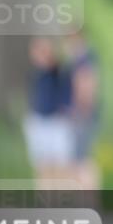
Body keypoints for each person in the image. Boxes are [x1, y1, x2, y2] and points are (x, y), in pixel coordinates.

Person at [24, 37, 76, 184]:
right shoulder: (34, 73)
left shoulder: (58, 71)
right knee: (41, 165)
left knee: (61, 165)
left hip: (57, 122)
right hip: (38, 121)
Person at [64, 30, 101, 189]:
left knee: (81, 161)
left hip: (81, 115)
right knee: (79, 159)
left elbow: (87, 87)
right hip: (82, 114)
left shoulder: (83, 60)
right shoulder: (82, 60)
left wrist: (80, 110)